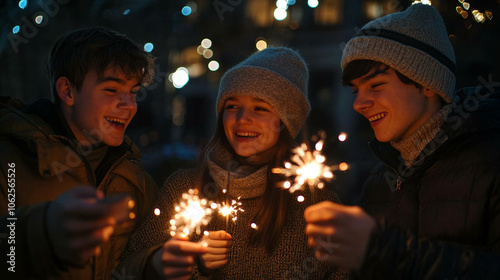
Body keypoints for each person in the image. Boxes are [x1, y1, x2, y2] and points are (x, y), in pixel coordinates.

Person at [304, 3, 500, 279]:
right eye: (355, 91)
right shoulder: (378, 184)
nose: (359, 104)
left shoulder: (491, 161)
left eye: (376, 85)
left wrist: (385, 250)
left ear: (427, 82)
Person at [118, 47, 349, 279]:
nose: (242, 119)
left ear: (286, 121)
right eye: (232, 106)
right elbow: (126, 272)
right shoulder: (183, 189)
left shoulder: (316, 205)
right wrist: (195, 266)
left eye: (260, 108)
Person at [0, 27, 159, 279]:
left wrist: (154, 266)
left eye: (133, 92)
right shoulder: (8, 161)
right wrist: (42, 233)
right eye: (111, 90)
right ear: (67, 91)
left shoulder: (137, 184)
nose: (129, 105)